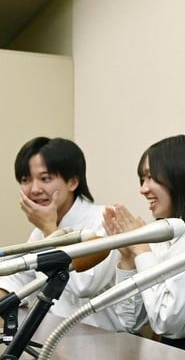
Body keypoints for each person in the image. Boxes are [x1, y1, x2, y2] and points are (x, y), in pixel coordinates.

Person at [102, 135, 185, 357]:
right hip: (163, 353)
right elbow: (130, 321)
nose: (143, 189)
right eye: (142, 179)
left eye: (150, 178)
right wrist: (127, 258)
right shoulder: (162, 236)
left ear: (182, 177)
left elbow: (165, 320)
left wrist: (142, 251)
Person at [0, 137, 125, 331]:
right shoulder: (40, 231)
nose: (34, 189)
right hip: (58, 339)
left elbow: (84, 285)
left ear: (73, 181)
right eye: (25, 180)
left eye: (45, 179)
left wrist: (50, 229)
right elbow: (18, 280)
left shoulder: (104, 220)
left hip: (104, 341)